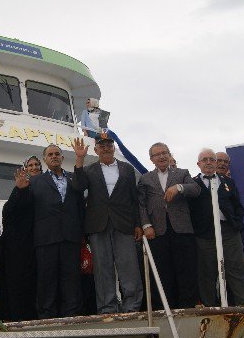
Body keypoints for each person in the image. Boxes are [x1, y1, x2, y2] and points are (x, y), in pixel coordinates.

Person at [72, 135, 143, 314]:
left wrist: (138, 224)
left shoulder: (127, 169)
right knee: (103, 269)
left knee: (129, 267)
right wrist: (79, 159)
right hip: (98, 225)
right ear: (95, 150)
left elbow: (133, 199)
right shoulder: (88, 170)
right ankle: (107, 308)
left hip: (124, 224)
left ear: (113, 147)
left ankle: (131, 307)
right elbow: (78, 188)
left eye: (109, 145)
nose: (105, 148)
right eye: (101, 146)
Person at [14, 144, 84, 319]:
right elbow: (25, 209)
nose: (54, 156)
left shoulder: (73, 180)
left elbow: (80, 208)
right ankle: (47, 316)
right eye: (50, 154)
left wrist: (83, 235)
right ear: (44, 159)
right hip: (45, 238)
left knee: (71, 279)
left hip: (71, 237)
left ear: (62, 158)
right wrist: (21, 191)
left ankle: (71, 314)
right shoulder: (35, 181)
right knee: (46, 280)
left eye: (57, 154)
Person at [137, 142, 201, 309]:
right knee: (162, 272)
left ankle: (187, 308)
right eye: (157, 154)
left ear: (170, 154)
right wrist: (146, 225)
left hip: (182, 229)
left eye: (164, 153)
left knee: (186, 271)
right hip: (157, 232)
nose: (162, 156)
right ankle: (165, 309)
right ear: (151, 159)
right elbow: (141, 204)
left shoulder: (182, 173)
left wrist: (179, 187)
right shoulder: (145, 179)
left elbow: (196, 189)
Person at [189, 148, 244, 307]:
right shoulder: (193, 183)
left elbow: (238, 207)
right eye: (205, 160)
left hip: (229, 233)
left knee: (236, 270)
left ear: (216, 163)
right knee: (207, 274)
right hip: (205, 235)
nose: (208, 162)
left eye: (211, 159)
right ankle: (210, 308)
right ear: (199, 164)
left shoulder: (227, 182)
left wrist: (236, 225)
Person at [0, 155, 41, 321]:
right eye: (30, 165)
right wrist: (21, 190)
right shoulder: (19, 189)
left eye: (36, 165)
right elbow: (8, 214)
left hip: (37, 245)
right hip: (17, 248)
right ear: (25, 169)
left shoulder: (45, 187)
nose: (33, 168)